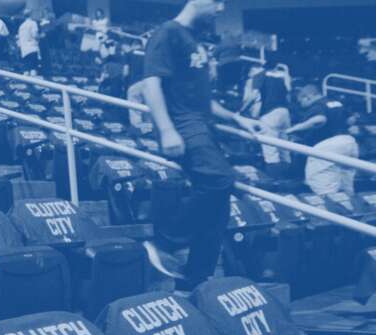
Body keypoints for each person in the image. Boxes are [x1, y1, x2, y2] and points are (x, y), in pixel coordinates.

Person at [141, 0, 266, 289]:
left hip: (202, 125)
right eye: (217, 2)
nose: (221, 9)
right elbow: (151, 84)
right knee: (219, 180)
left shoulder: (195, 40)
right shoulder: (167, 33)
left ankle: (196, 279)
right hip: (182, 125)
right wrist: (167, 129)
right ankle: (165, 242)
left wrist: (237, 119)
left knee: (219, 208)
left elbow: (204, 100)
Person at [287, 84, 359, 195]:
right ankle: (350, 206)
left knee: (320, 182)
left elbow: (319, 120)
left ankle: (329, 208)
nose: (301, 105)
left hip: (329, 146)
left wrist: (292, 129)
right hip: (349, 142)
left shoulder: (317, 106)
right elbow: (351, 120)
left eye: (301, 101)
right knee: (345, 182)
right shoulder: (336, 103)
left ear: (308, 97)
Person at [240, 64, 292, 175]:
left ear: (252, 70)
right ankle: (287, 177)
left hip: (270, 113)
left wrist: (241, 111)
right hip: (285, 112)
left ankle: (275, 180)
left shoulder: (259, 75)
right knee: (284, 150)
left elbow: (253, 95)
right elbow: (289, 93)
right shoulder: (280, 76)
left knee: (270, 150)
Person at [17, 9, 41, 75]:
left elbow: (19, 40)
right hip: (32, 48)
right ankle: (34, 83)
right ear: (31, 15)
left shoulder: (21, 26)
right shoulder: (33, 23)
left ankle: (27, 83)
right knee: (33, 68)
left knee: (26, 69)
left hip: (24, 50)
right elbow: (35, 35)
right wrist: (41, 36)